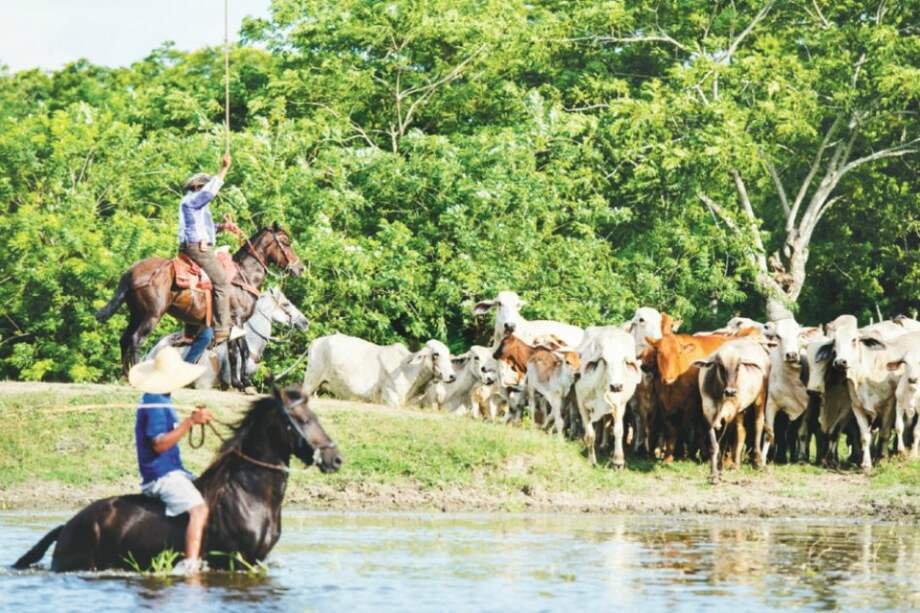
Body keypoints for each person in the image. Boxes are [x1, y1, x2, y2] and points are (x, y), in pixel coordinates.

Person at [129, 331, 215, 576]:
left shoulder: (162, 399)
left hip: (174, 472)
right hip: (161, 476)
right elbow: (158, 445)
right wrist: (189, 422)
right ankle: (190, 567)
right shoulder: (155, 402)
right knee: (199, 510)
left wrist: (194, 419)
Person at [178, 153, 244, 345]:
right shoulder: (194, 200)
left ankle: (190, 331)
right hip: (197, 247)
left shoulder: (193, 206)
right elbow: (210, 193)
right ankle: (222, 330)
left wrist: (223, 227)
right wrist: (224, 169)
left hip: (193, 244)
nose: (204, 190)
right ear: (197, 187)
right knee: (222, 282)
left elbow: (203, 227)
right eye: (203, 186)